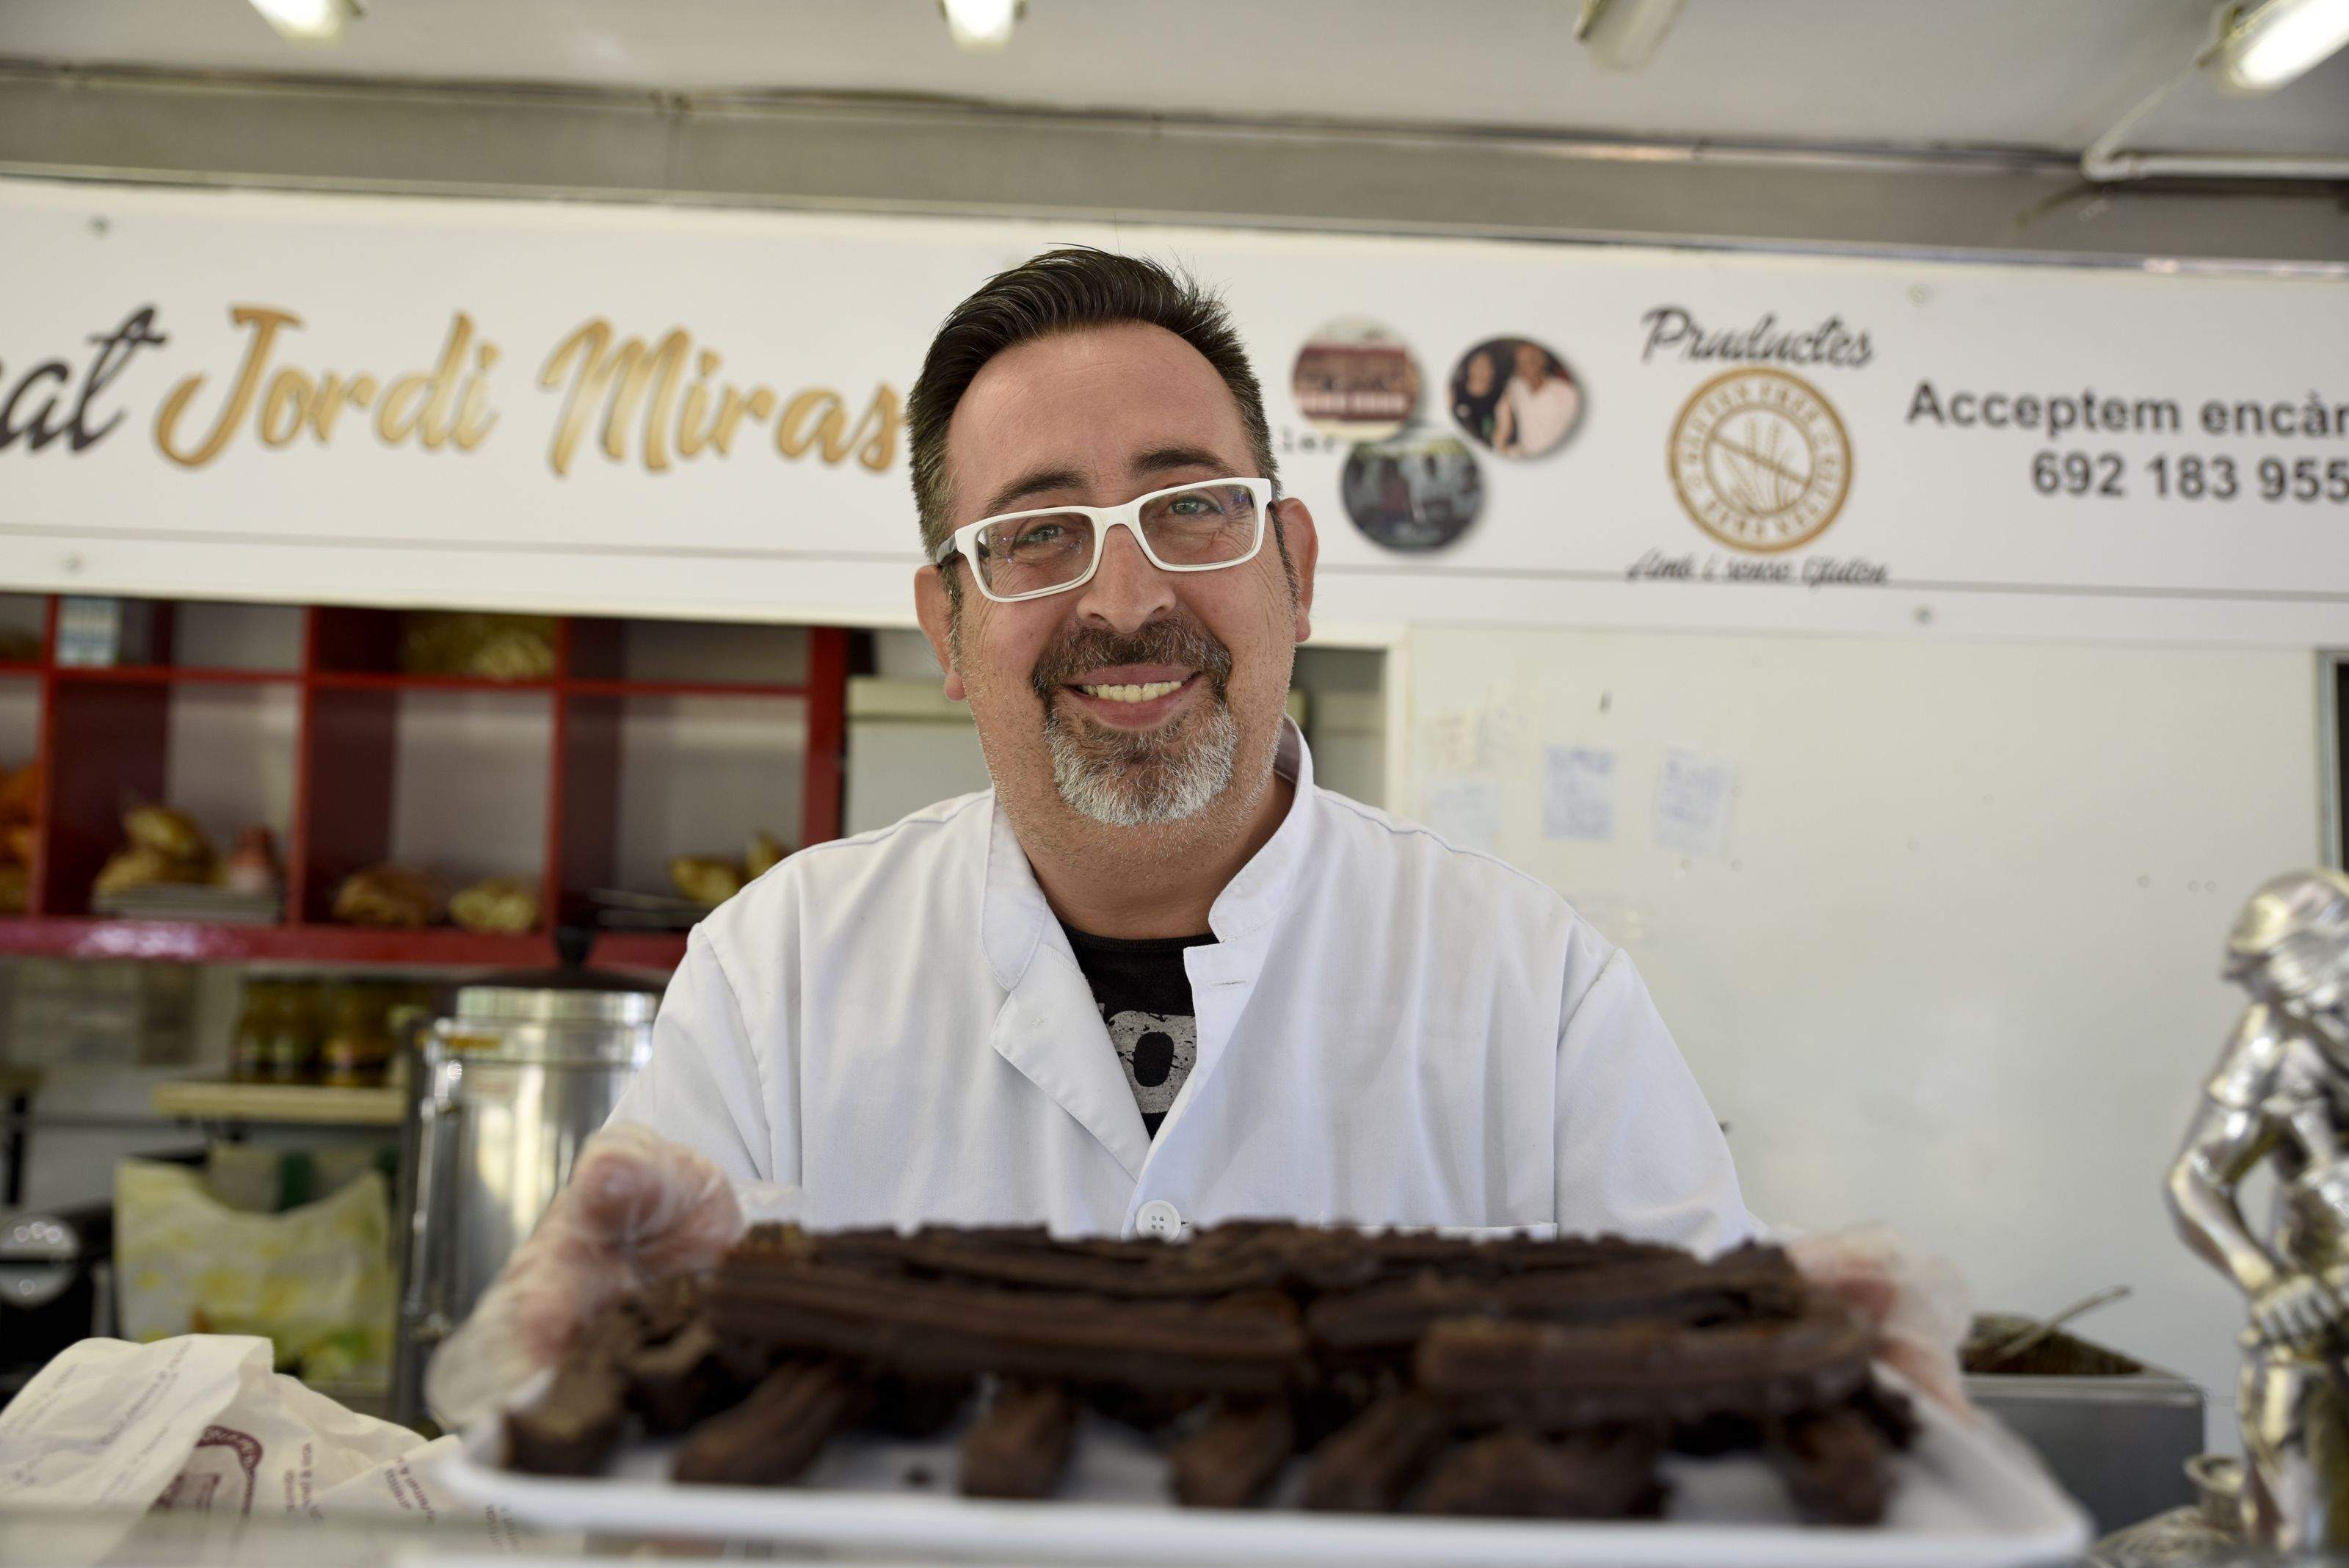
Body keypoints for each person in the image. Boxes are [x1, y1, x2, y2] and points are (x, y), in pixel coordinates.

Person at [435, 249, 1906, 1426]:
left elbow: (1722, 1419)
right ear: (945, 626)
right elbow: (615, 1405)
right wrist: (580, 1355)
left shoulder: (1536, 989)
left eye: (1190, 506)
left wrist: (1839, 1408)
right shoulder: (778, 973)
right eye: (1035, 533)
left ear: (1293, 567)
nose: (1126, 597)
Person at [1493, 340, 1580, 457]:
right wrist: (1501, 448)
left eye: (1530, 360)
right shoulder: (1516, 386)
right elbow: (1502, 420)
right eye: (1519, 363)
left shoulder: (1567, 393)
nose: (1523, 367)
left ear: (1542, 361)